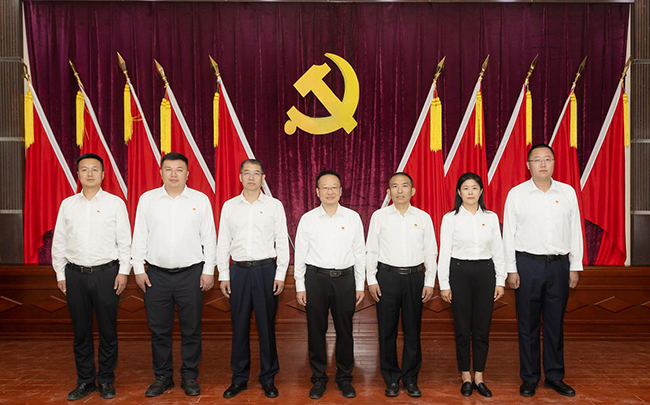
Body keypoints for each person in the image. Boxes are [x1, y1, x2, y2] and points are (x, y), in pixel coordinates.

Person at [131, 152, 217, 397]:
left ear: (187, 173)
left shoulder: (200, 200)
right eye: (168, 169)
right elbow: (139, 236)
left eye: (179, 170)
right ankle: (163, 376)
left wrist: (208, 270)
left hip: (191, 274)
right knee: (159, 330)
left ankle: (189, 376)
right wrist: (139, 269)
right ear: (161, 172)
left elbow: (209, 238)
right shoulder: (148, 200)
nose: (174, 174)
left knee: (192, 329)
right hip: (156, 275)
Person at [503, 144, 582, 398]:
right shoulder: (517, 194)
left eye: (548, 159)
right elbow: (508, 234)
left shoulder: (567, 192)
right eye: (537, 160)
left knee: (554, 323)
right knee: (527, 324)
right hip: (527, 265)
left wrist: (575, 266)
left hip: (559, 265)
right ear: (528, 165)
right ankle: (529, 377)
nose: (543, 164)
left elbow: (575, 230)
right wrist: (511, 269)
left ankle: (555, 376)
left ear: (554, 163)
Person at [51, 153, 131, 401]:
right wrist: (60, 273)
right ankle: (85, 380)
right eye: (84, 169)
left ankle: (106, 379)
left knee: (108, 330)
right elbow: (59, 241)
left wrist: (124, 272)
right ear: (78, 174)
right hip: (75, 275)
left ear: (103, 174)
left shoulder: (115, 203)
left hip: (106, 274)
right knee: (81, 332)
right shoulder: (68, 204)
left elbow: (124, 241)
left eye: (95, 169)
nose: (89, 173)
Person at [217, 159, 290, 399]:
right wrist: (224, 274)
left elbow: (282, 241)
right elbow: (223, 242)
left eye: (256, 173)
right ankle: (239, 379)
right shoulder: (229, 206)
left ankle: (268, 378)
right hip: (238, 271)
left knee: (266, 327)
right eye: (247, 173)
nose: (251, 177)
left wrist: (280, 274)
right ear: (240, 177)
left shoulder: (274, 206)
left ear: (263, 178)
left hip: (265, 271)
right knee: (239, 326)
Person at [294, 170, 366, 400]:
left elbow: (360, 253)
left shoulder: (352, 218)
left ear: (341, 191)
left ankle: (344, 377)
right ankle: (318, 378)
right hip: (316, 279)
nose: (330, 191)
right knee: (316, 330)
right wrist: (299, 285)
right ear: (317, 192)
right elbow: (300, 254)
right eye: (325, 187)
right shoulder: (308, 219)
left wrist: (360, 284)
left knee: (345, 330)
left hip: (345, 279)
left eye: (334, 187)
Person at [366, 172, 437, 398]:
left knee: (412, 331)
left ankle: (410, 378)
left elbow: (430, 251)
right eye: (395, 186)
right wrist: (371, 279)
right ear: (388, 192)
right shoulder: (379, 217)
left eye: (404, 186)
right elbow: (371, 249)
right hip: (387, 278)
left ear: (412, 191)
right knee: (387, 331)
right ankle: (391, 378)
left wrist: (429, 281)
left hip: (415, 278)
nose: (399, 190)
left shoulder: (423, 218)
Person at [438, 172, 505, 398]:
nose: (470, 192)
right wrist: (444, 284)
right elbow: (444, 252)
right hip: (459, 272)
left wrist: (500, 280)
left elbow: (498, 250)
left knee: (482, 328)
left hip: (485, 273)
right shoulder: (450, 218)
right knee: (462, 328)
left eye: (474, 188)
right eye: (465, 188)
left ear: (481, 191)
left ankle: (479, 377)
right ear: (459, 192)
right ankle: (465, 376)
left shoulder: (491, 217)